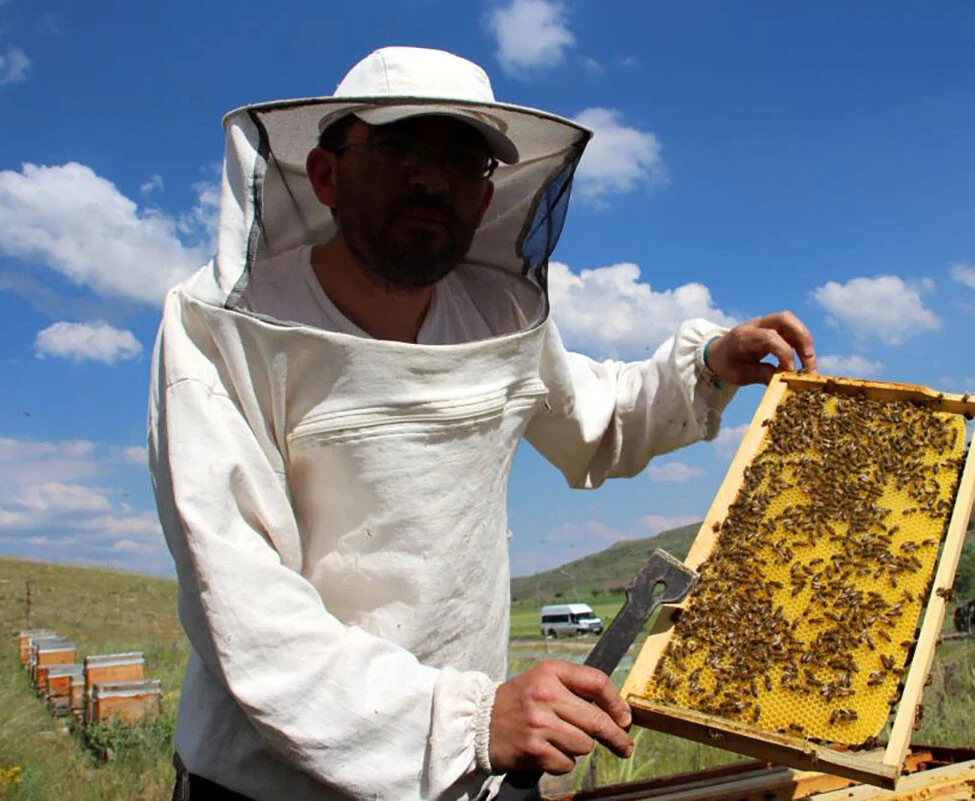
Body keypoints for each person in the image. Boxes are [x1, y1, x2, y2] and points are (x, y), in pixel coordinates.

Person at [150, 46, 817, 801]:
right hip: (270, 782)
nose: (431, 179)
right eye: (399, 146)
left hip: (467, 774)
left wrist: (707, 365)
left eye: (463, 159)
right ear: (327, 174)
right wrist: (463, 719)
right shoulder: (224, 329)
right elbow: (243, 603)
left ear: (488, 194)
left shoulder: (500, 312)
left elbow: (594, 421)